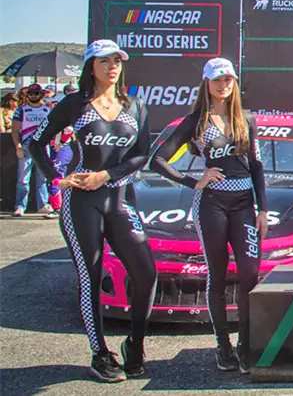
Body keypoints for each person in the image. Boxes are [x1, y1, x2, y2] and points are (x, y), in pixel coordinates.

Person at [27, 40, 155, 382]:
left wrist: (107, 175)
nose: (112, 66)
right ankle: (99, 353)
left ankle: (135, 344)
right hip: (82, 202)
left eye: (117, 60)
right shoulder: (74, 104)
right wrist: (56, 178)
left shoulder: (135, 106)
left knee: (146, 273)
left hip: (120, 198)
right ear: (91, 67)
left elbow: (141, 154)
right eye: (104, 61)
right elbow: (35, 141)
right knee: (92, 277)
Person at [148, 58, 268, 373]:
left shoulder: (246, 119)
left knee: (249, 274)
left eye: (228, 79)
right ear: (206, 83)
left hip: (244, 204)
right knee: (216, 274)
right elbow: (157, 161)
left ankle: (245, 343)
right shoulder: (195, 121)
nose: (223, 85)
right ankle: (223, 346)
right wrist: (193, 180)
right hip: (211, 203)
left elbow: (256, 166)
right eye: (217, 80)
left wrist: (263, 209)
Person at [11, 83, 53, 217]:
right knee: (23, 179)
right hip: (26, 145)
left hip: (42, 146)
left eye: (36, 94)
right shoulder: (21, 110)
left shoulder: (47, 109)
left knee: (43, 177)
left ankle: (43, 204)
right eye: (31, 94)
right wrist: (18, 146)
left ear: (41, 95)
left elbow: (52, 127)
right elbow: (15, 130)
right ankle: (20, 206)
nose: (33, 96)